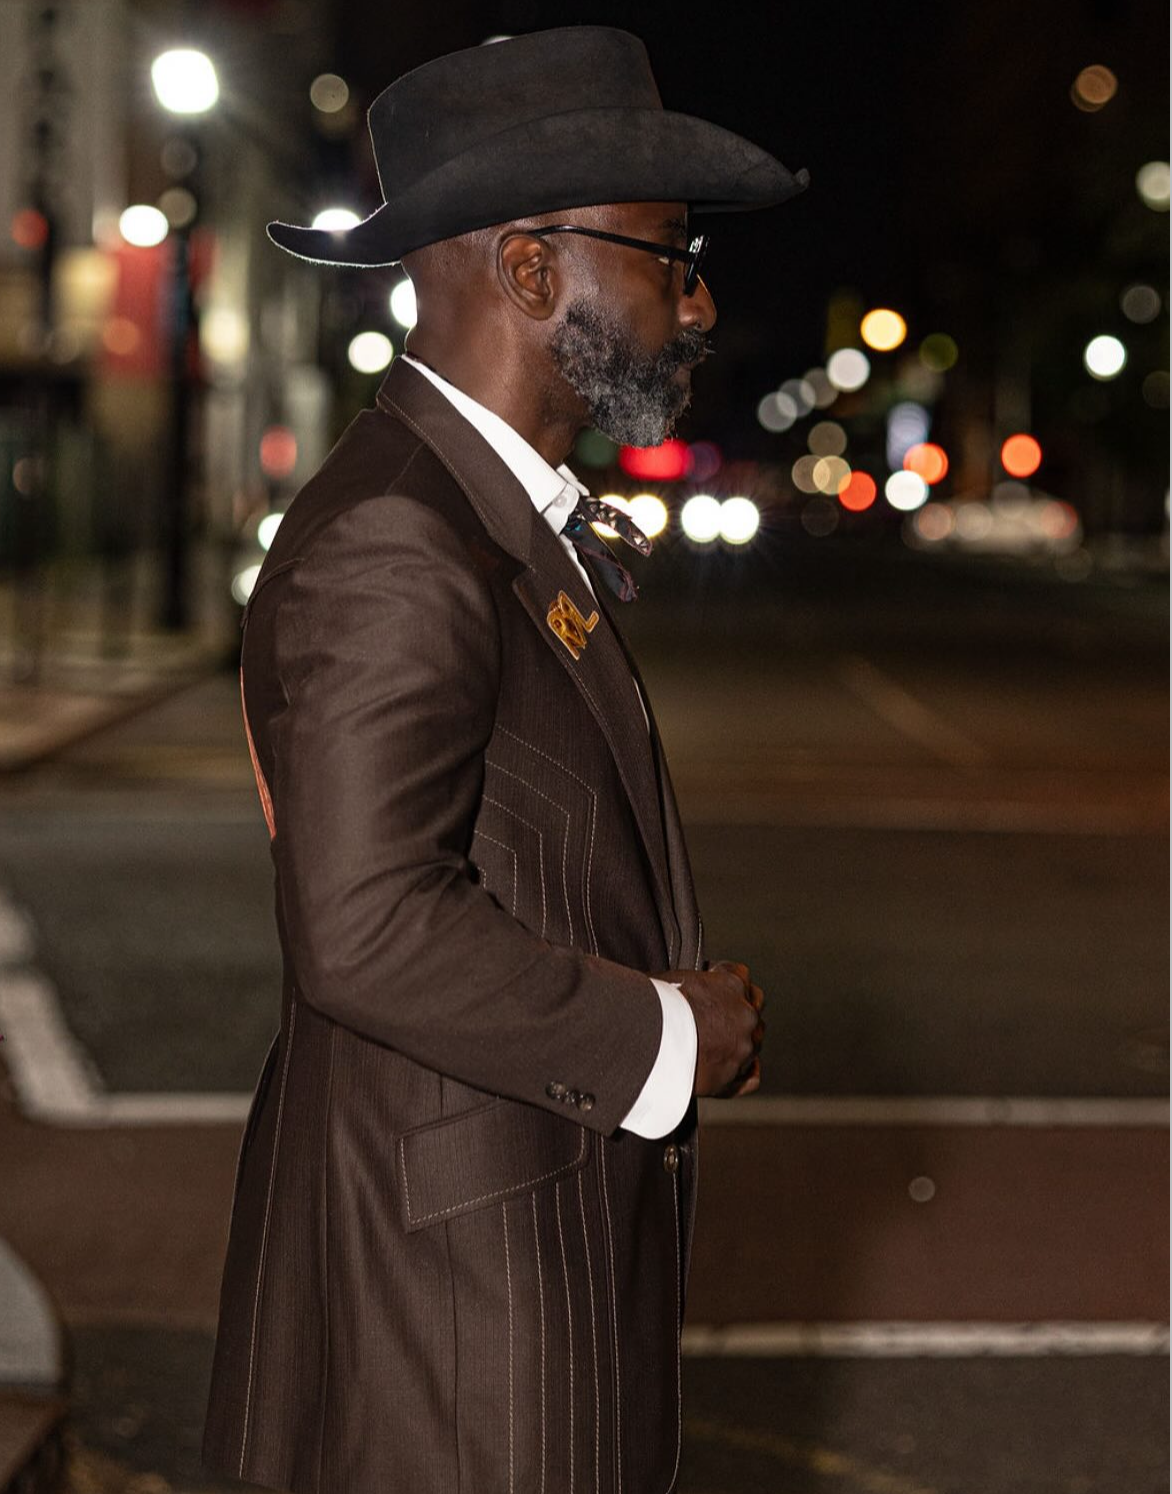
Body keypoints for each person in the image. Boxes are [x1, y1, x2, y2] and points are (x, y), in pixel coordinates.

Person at [202, 25, 809, 1494]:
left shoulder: (473, 513)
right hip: (457, 1326)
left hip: (499, 1278)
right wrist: (666, 1038)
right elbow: (364, 926)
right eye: (669, 255)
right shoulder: (400, 537)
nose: (697, 299)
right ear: (533, 271)